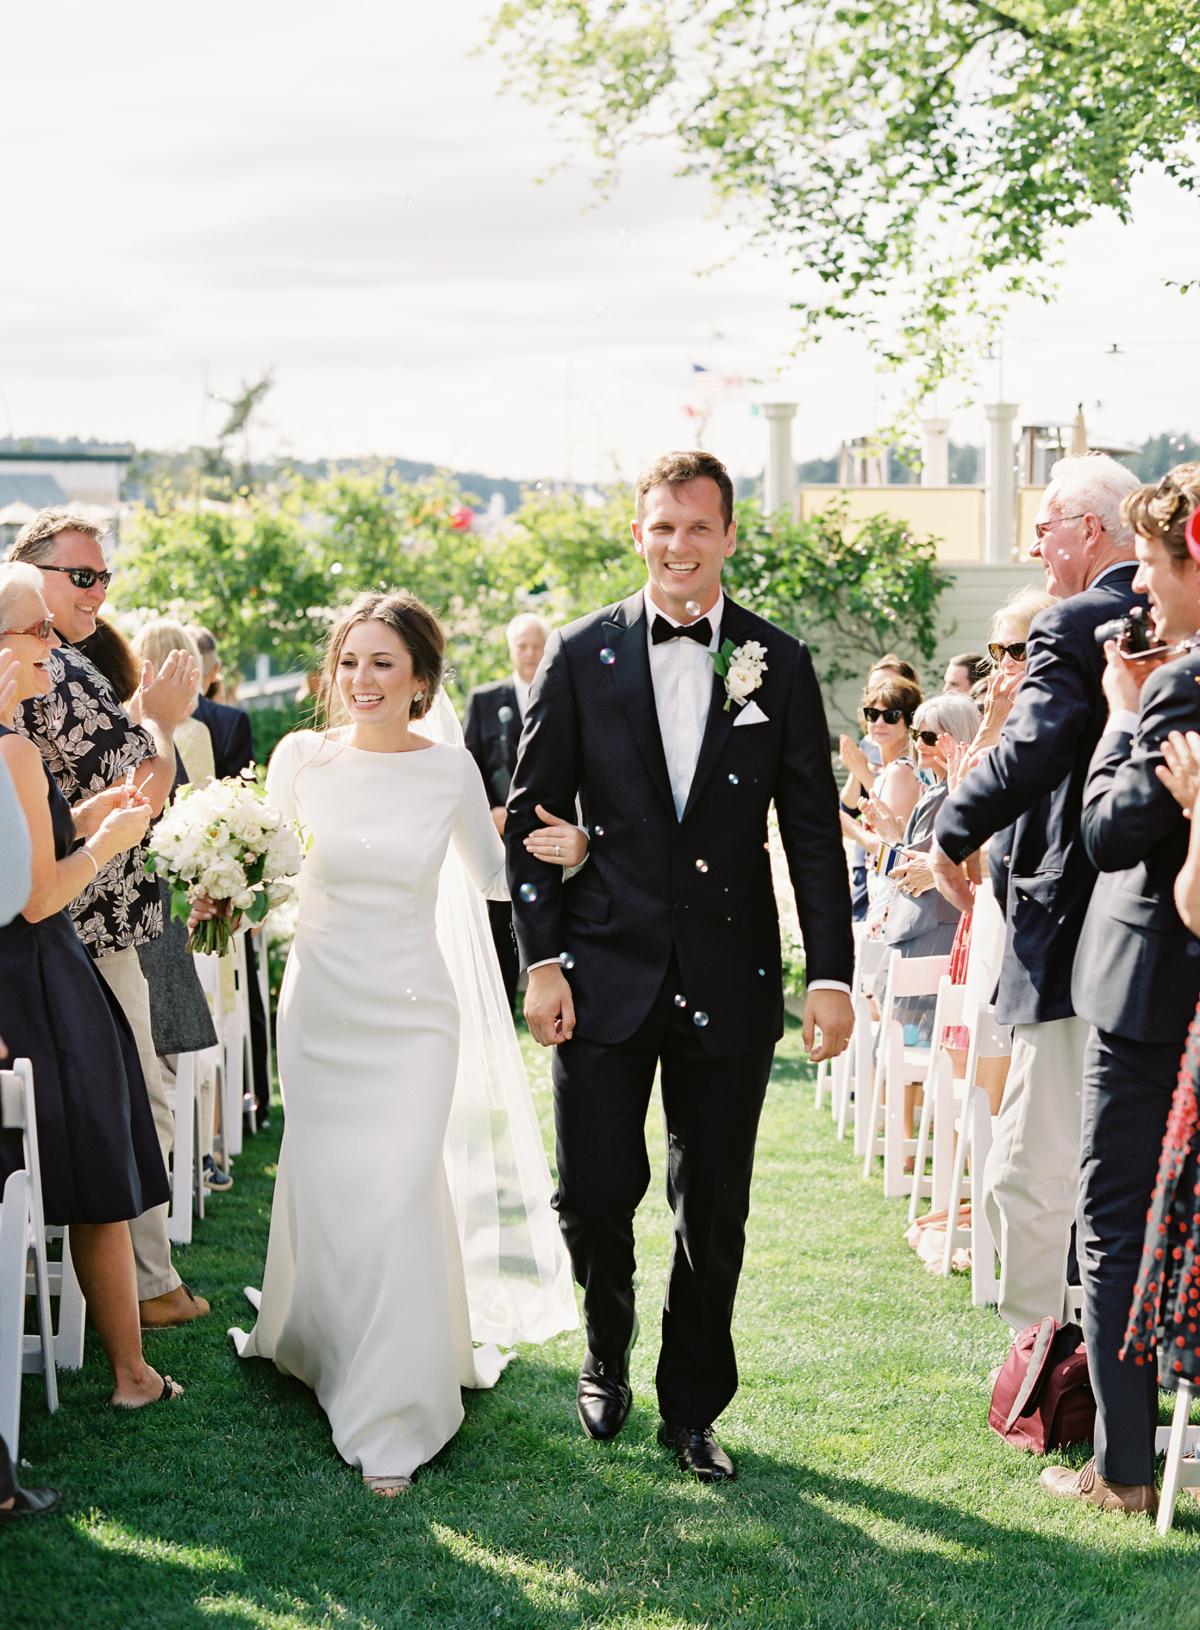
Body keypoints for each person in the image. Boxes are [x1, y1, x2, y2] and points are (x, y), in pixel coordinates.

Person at [505, 449, 855, 1485]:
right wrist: (543, 961)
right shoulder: (579, 654)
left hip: (729, 974)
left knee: (716, 1210)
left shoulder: (775, 663)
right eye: (661, 526)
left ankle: (693, 1406)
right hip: (601, 968)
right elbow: (530, 817)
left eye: (697, 527)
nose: (678, 545)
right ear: (638, 533)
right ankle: (605, 1350)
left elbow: (811, 836)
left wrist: (827, 972)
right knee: (595, 1192)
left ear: (729, 536)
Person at [228, 590, 584, 1495]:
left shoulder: (449, 770)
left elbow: (496, 879)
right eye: (350, 661)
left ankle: (390, 1412)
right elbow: (273, 879)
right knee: (332, 1187)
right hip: (322, 1009)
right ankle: (317, 1338)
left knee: (394, 1194)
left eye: (384, 663)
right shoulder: (300, 759)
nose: (362, 680)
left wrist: (577, 852)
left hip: (416, 1015)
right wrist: (221, 887)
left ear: (421, 678)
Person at [930, 453, 1143, 1336]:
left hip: (1075, 934)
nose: (1032, 544)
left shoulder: (1077, 623)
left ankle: (1037, 1360)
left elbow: (1029, 751)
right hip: (1158, 930)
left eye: (1046, 525)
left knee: (1030, 1166)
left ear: (1090, 530)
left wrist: (951, 828)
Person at [6, 508, 209, 1329]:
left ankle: (137, 1274)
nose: (96, 591)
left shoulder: (66, 666)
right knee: (135, 1103)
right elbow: (147, 784)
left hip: (111, 910)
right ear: (31, 572)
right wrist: (158, 719)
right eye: (80, 576)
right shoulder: (50, 677)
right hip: (84, 921)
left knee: (133, 1093)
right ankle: (150, 1286)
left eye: (102, 577)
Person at [1042, 464, 1200, 1515]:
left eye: (1150, 560)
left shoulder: (1180, 685)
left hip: (1150, 986)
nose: (1140, 584)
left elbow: (1110, 830)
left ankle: (1125, 1471)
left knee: (1117, 1220)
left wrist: (1117, 715)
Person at [190, 626, 271, 1130]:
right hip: (213, 867)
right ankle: (251, 1101)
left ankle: (241, 1100)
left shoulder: (223, 722)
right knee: (244, 989)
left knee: (242, 990)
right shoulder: (226, 720)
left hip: (216, 865)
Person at [864, 692, 980, 1041]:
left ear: (956, 738)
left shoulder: (946, 795)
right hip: (925, 922)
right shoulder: (938, 791)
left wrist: (875, 842)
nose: (920, 745)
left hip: (927, 925)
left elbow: (912, 872)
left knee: (904, 1039)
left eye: (929, 737)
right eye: (917, 735)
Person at [463, 613, 551, 1010]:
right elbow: (469, 766)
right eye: (523, 646)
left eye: (537, 645)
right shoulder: (485, 699)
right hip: (497, 830)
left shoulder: (562, 691)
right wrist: (489, 813)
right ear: (511, 649)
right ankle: (501, 1001)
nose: (530, 653)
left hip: (549, 827)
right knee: (498, 914)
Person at [840, 674, 922, 931]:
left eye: (891, 715)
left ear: (908, 720)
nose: (878, 722)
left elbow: (893, 855)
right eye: (872, 714)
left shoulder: (901, 771)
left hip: (893, 900)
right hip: (882, 895)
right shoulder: (887, 771)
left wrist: (851, 829)